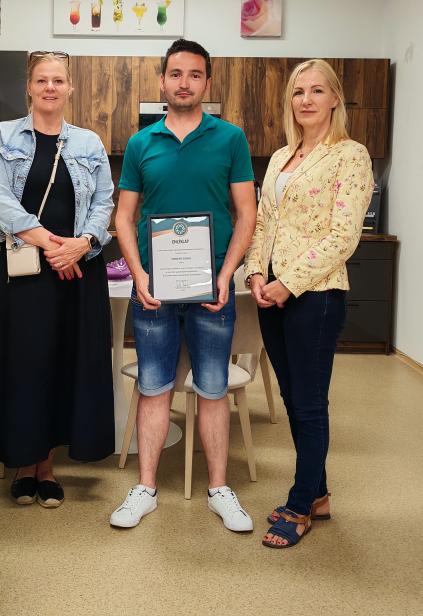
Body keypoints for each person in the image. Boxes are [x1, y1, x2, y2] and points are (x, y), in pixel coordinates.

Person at [109, 39, 258, 532]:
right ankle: (145, 489)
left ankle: (219, 489)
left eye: (194, 75)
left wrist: (226, 274)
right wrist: (138, 274)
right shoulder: (141, 144)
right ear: (162, 81)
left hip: (211, 289)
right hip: (153, 289)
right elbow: (124, 217)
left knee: (212, 387)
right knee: (153, 386)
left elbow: (247, 213)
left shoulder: (230, 139)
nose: (184, 83)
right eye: (176, 74)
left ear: (207, 83)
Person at [244, 59, 374, 549]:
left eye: (317, 91)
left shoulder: (350, 155)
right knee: (294, 398)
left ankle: (299, 506)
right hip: (271, 293)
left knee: (310, 402)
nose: (306, 100)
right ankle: (317, 493)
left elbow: (343, 236)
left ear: (335, 98)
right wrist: (257, 273)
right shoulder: (281, 157)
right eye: (299, 92)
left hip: (315, 296)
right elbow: (262, 223)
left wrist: (288, 283)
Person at [0, 51, 116, 508]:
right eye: (42, 80)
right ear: (29, 87)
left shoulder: (89, 143)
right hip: (26, 271)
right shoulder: (3, 136)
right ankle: (24, 462)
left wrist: (82, 243)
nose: (50, 88)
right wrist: (51, 244)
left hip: (78, 270)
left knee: (64, 364)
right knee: (26, 365)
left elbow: (104, 201)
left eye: (58, 80)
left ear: (70, 87)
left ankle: (47, 467)